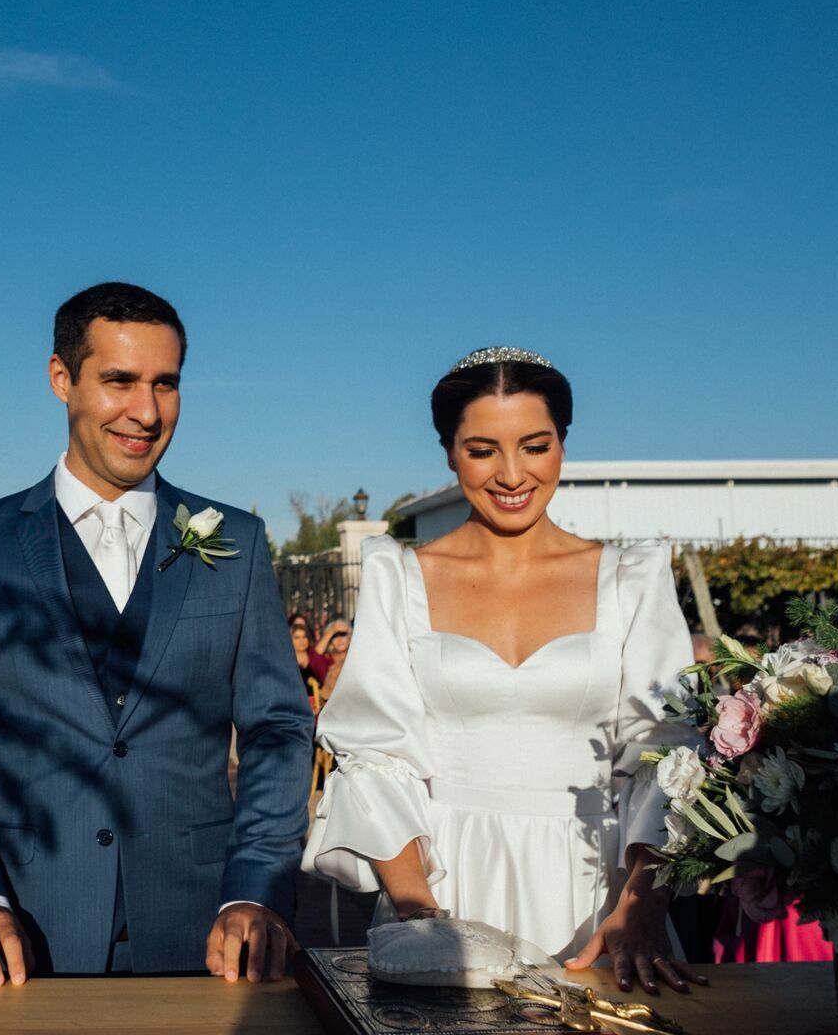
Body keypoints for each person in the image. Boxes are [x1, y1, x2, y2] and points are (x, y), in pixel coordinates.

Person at [0, 282, 314, 984]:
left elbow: (277, 727)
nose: (146, 413)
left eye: (166, 384)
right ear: (62, 378)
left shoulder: (235, 542)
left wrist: (254, 889)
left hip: (207, 935)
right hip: (23, 933)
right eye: (119, 380)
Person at [302, 347, 705, 998]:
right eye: (483, 449)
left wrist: (642, 906)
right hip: (442, 887)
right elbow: (375, 757)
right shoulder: (397, 576)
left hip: (601, 897)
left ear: (563, 445)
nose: (513, 473)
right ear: (449, 452)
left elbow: (666, 755)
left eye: (535, 445)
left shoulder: (633, 578)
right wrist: (421, 915)